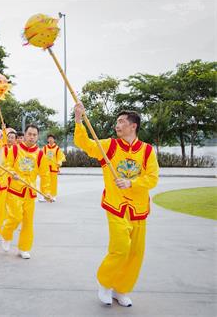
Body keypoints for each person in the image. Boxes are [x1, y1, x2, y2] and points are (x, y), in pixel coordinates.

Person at [74, 104, 159, 307]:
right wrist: (78, 120)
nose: (117, 125)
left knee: (135, 253)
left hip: (138, 209)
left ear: (133, 126)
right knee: (120, 247)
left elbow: (153, 178)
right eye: (117, 121)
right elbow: (84, 143)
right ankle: (105, 283)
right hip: (116, 205)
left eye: (121, 121)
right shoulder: (110, 146)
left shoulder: (147, 151)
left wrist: (132, 182)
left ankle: (121, 289)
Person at [0, 124, 53, 259]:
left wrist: (46, 192)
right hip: (15, 191)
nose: (31, 137)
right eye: (29, 134)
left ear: (37, 137)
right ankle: (6, 235)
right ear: (24, 134)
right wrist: (12, 173)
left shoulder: (40, 154)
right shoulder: (15, 149)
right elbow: (6, 165)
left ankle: (24, 248)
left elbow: (45, 175)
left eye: (34, 135)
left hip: (30, 192)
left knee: (28, 222)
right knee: (15, 217)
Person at [39, 133, 66, 202]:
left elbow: (61, 157)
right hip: (45, 168)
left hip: (53, 168)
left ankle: (53, 195)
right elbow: (41, 156)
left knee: (53, 182)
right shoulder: (44, 148)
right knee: (44, 182)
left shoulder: (57, 149)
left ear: (54, 140)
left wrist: (59, 162)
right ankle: (43, 195)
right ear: (47, 140)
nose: (50, 140)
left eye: (52, 138)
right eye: (49, 138)